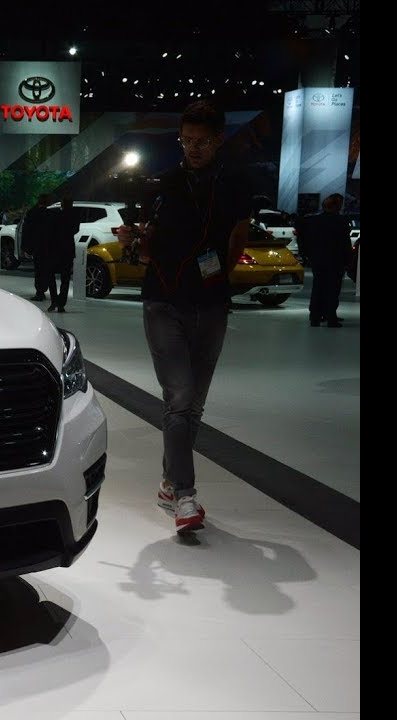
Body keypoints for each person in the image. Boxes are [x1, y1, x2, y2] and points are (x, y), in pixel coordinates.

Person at [116, 101, 251, 533]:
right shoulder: (163, 184)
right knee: (178, 397)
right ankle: (185, 495)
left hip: (211, 303)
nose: (193, 148)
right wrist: (134, 241)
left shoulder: (235, 185)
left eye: (202, 142)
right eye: (186, 140)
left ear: (219, 140)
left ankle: (167, 484)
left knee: (193, 405)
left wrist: (219, 275)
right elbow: (145, 249)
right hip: (163, 301)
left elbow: (238, 236)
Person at [295, 193, 351, 327]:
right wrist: (348, 260)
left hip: (318, 259)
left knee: (318, 287)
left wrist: (306, 254)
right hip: (335, 260)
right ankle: (331, 317)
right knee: (333, 288)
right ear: (337, 206)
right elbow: (345, 243)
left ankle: (315, 317)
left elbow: (304, 239)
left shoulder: (313, 221)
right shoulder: (341, 221)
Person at [44, 194, 81, 312]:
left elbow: (50, 231)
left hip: (54, 249)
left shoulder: (56, 215)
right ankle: (61, 303)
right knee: (65, 278)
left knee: (50, 275)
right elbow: (75, 230)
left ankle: (54, 300)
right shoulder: (75, 216)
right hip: (68, 250)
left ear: (62, 204)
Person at [21, 193, 54, 300]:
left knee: (39, 269)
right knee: (46, 269)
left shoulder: (32, 213)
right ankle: (44, 289)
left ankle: (40, 291)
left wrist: (25, 247)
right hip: (48, 246)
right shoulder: (50, 213)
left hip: (37, 246)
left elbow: (27, 230)